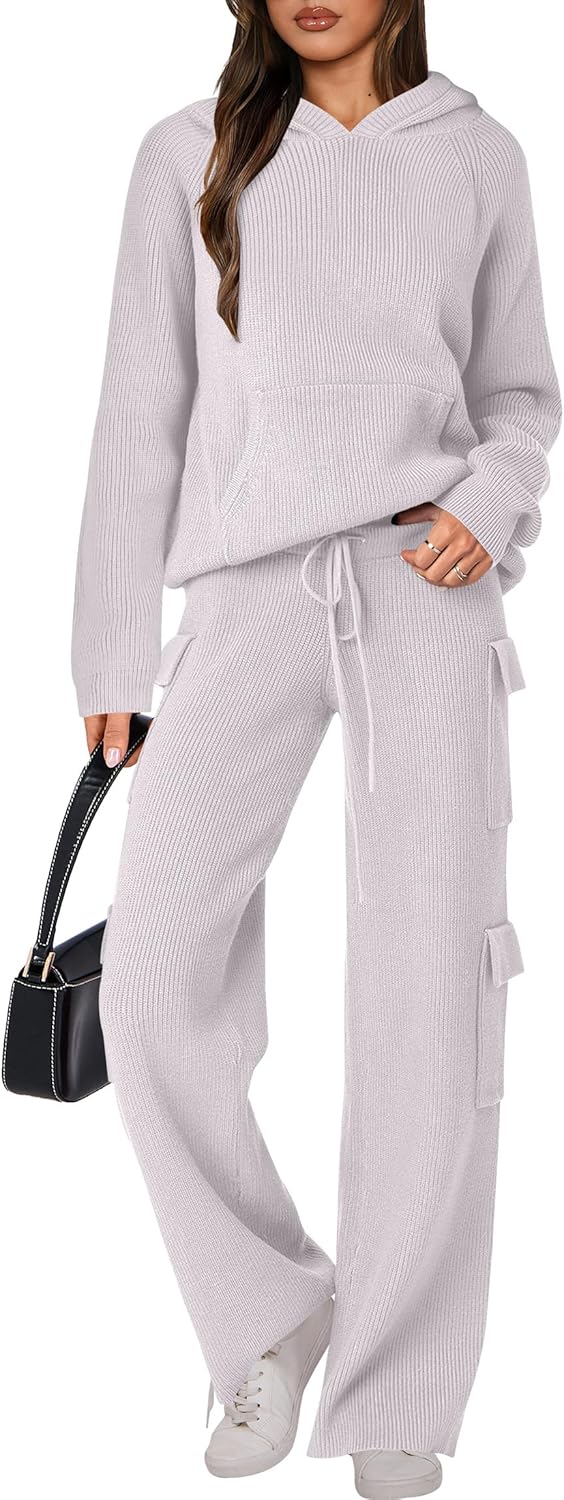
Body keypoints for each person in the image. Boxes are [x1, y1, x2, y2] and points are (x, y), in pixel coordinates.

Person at [70, 3, 560, 1495]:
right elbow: (139, 404)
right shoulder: (189, 152)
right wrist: (110, 645)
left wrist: (490, 493)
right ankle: (267, 1313)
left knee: (430, 988)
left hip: (425, 580)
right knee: (149, 979)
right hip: (244, 592)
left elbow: (521, 392)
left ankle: (399, 1391)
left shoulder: (475, 153)